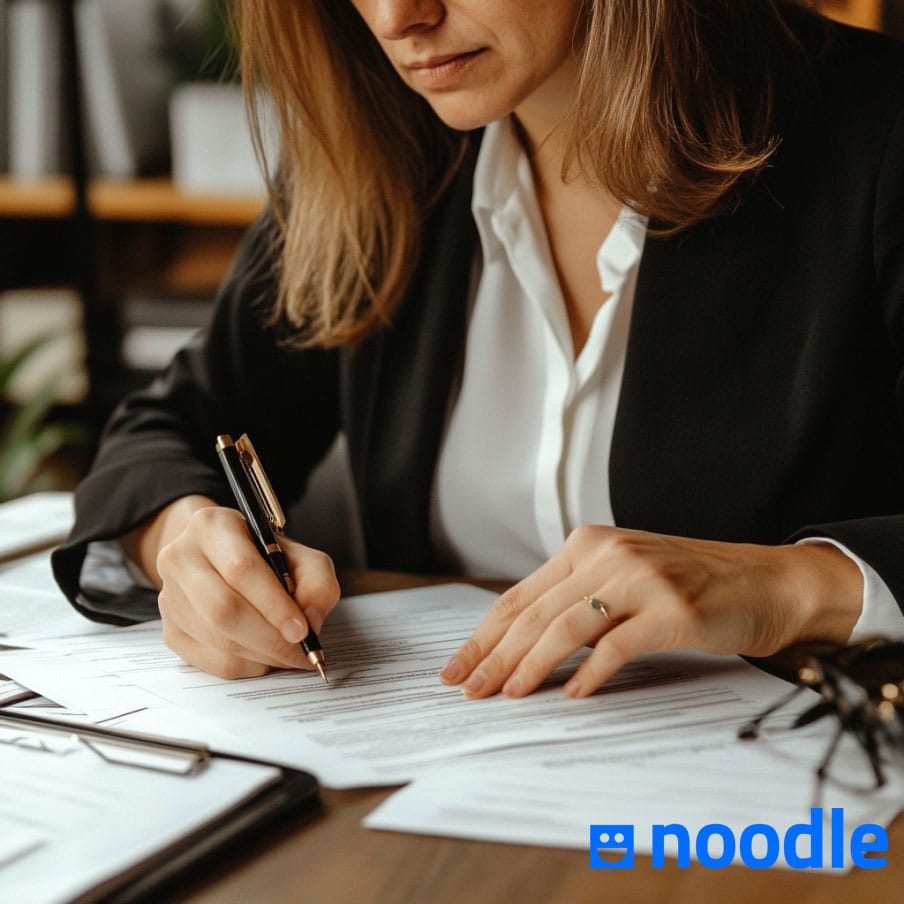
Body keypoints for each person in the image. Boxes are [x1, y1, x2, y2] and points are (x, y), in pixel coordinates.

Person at [53, 0, 904, 698]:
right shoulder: (379, 156)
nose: (396, 17)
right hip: (439, 806)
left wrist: (792, 586)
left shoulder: (875, 136)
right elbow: (163, 433)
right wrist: (187, 537)